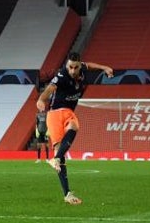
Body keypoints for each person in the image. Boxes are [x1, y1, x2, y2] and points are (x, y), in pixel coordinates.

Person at [36, 51, 114, 205]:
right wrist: (41, 100)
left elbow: (89, 65)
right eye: (70, 67)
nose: (72, 70)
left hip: (69, 112)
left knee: (74, 125)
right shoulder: (62, 76)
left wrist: (104, 68)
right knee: (60, 154)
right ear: (67, 65)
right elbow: (49, 89)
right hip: (55, 114)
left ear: (79, 66)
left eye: (75, 67)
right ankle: (67, 194)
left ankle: (56, 159)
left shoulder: (82, 68)